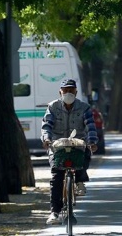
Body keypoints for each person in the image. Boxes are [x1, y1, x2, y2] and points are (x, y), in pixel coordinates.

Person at [41, 78, 98, 225]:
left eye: (71, 90)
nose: (68, 93)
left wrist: (92, 142)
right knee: (56, 175)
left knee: (84, 156)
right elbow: (47, 125)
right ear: (60, 92)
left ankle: (79, 181)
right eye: (65, 90)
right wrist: (46, 139)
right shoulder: (52, 107)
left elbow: (90, 126)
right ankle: (55, 212)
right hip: (57, 145)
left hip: (77, 144)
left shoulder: (84, 107)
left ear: (76, 92)